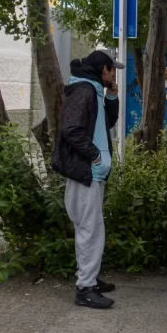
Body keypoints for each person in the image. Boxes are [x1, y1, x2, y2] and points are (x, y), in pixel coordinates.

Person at [52, 49, 123, 309]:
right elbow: (71, 128)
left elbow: (106, 123)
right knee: (91, 231)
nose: (114, 73)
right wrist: (94, 156)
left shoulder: (92, 88)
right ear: (103, 69)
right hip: (87, 172)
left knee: (89, 229)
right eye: (112, 69)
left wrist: (112, 97)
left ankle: (89, 278)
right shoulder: (84, 91)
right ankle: (85, 288)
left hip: (91, 172)